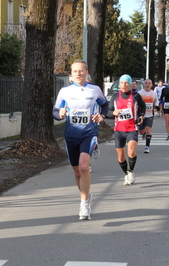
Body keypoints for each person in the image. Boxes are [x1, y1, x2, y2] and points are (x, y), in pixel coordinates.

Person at [52, 59, 108, 220]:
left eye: (81, 70)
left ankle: (84, 204)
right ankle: (86, 195)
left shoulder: (94, 89)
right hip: (71, 134)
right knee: (76, 170)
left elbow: (104, 105)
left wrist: (102, 115)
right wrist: (60, 114)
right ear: (71, 74)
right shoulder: (65, 91)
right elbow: (55, 111)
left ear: (86, 72)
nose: (78, 73)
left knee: (84, 166)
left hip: (89, 133)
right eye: (75, 71)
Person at [108, 75, 146, 186]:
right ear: (119, 84)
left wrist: (142, 116)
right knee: (120, 156)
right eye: (122, 83)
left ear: (130, 84)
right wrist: (113, 113)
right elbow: (108, 111)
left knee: (131, 152)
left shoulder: (135, 95)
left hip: (132, 128)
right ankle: (126, 173)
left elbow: (142, 107)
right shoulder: (115, 96)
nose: (124, 85)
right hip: (119, 129)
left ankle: (131, 171)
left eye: (126, 83)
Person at [138, 79, 159, 154]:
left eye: (149, 83)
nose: (147, 85)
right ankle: (143, 133)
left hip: (150, 115)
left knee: (148, 130)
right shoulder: (140, 93)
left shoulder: (153, 93)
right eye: (146, 83)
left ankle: (147, 147)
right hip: (141, 115)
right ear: (144, 85)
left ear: (152, 85)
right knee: (141, 132)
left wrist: (157, 106)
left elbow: (156, 101)